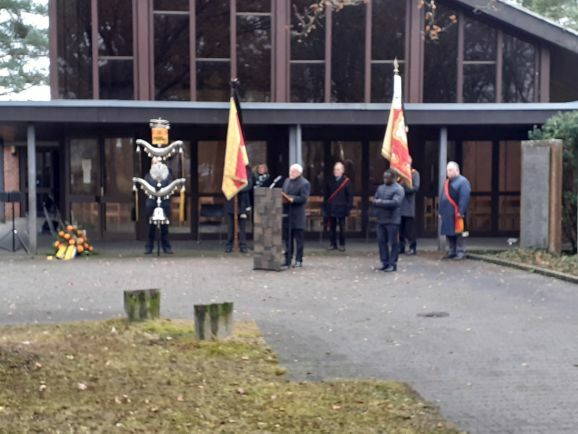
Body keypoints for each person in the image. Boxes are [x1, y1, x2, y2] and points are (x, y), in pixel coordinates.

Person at [373, 169, 405, 272]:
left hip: (393, 220)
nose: (385, 179)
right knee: (381, 242)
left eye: (387, 177)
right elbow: (375, 199)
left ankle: (392, 264)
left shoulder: (399, 189)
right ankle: (385, 262)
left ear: (393, 178)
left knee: (393, 243)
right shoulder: (380, 188)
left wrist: (380, 202)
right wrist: (377, 202)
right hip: (381, 219)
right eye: (384, 177)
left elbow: (396, 203)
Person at [439, 161, 471, 260]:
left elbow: (464, 198)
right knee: (449, 233)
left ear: (457, 170)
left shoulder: (463, 182)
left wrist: (461, 211)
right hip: (447, 213)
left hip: (457, 213)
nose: (448, 172)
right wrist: (440, 211)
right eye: (448, 170)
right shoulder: (447, 182)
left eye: (450, 170)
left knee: (459, 233)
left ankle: (460, 252)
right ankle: (451, 251)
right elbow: (442, 197)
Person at [282, 163, 310, 268]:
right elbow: (283, 194)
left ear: (299, 173)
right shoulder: (287, 181)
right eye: (290, 171)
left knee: (299, 240)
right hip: (287, 214)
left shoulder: (305, 183)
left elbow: (303, 198)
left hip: (298, 215)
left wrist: (292, 199)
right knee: (288, 239)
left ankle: (299, 260)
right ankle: (287, 259)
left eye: (293, 171)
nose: (291, 173)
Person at [145, 156, 173, 255]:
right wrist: (155, 186)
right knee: (151, 227)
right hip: (152, 203)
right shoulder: (148, 176)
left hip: (164, 202)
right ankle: (149, 247)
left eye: (158, 163)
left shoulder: (167, 175)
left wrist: (161, 186)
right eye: (154, 163)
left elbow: (169, 185)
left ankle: (166, 247)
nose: (156, 165)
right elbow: (147, 185)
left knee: (164, 227)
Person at [324, 162, 353, 252]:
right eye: (335, 169)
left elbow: (350, 196)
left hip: (342, 208)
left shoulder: (346, 182)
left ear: (342, 171)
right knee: (332, 227)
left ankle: (342, 244)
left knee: (342, 227)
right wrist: (325, 206)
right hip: (331, 207)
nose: (336, 171)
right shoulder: (330, 180)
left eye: (338, 170)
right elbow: (326, 195)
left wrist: (348, 208)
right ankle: (333, 244)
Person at [225, 166, 252, 254]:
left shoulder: (247, 172)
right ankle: (229, 245)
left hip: (242, 204)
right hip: (231, 203)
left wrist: (237, 188)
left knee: (242, 227)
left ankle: (243, 246)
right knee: (231, 227)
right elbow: (227, 186)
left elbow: (248, 186)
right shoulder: (230, 171)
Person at [399, 168, 421, 255]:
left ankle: (412, 247)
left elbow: (416, 187)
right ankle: (401, 247)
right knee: (400, 229)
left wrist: (402, 188)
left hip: (408, 205)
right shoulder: (398, 173)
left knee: (409, 229)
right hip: (399, 205)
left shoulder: (414, 173)